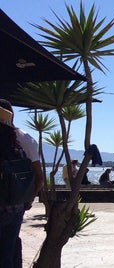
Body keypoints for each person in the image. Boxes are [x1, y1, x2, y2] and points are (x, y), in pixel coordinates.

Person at [0, 99, 43, 268]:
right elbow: (38, 176)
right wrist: (28, 200)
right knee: (9, 250)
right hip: (15, 204)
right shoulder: (25, 139)